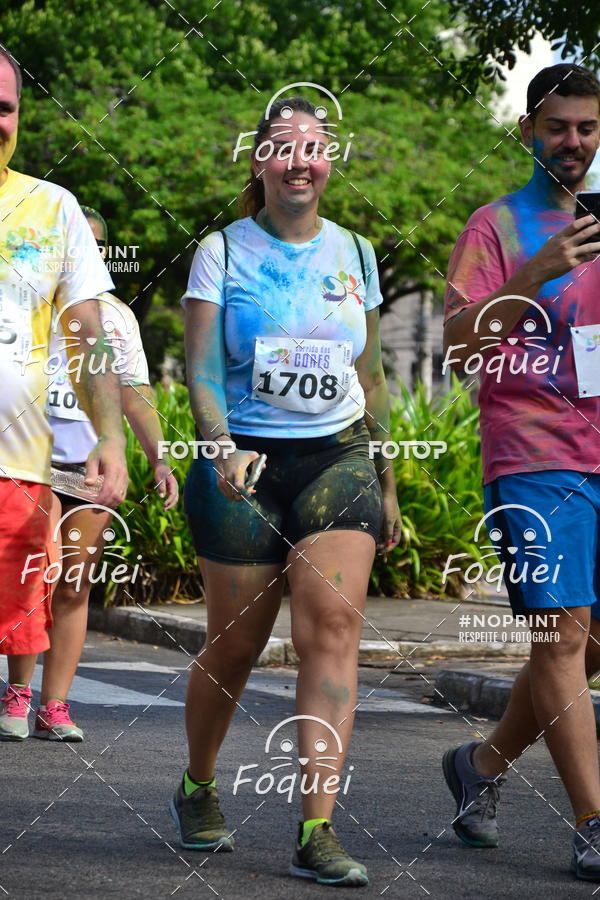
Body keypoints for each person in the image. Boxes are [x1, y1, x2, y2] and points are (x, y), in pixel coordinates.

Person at [177, 96, 401, 886]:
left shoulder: (357, 253)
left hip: (337, 458)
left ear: (330, 160)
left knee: (332, 632)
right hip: (244, 461)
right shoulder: (222, 251)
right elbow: (203, 371)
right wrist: (221, 450)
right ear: (260, 160)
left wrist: (388, 481)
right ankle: (198, 784)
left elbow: (372, 377)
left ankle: (316, 829)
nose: (300, 161)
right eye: (284, 147)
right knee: (235, 646)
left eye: (314, 147)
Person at [441, 64, 600, 881]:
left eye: (587, 128)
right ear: (528, 130)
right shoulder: (495, 226)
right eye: (557, 126)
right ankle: (593, 823)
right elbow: (459, 346)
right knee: (560, 636)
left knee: (583, 643)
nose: (572, 142)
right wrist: (534, 272)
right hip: (533, 453)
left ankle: (483, 764)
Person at [0, 207, 178, 742]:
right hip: (30, 463)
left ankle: (55, 706)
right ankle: (18, 693)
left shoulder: (118, 318)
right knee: (37, 575)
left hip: (92, 470)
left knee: (75, 584)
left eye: (96, 246)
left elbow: (135, 392)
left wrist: (159, 458)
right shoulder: (24, 301)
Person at [0, 47, 128, 736]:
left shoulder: (53, 209)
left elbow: (87, 332)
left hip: (20, 470)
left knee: (37, 599)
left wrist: (110, 435)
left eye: (4, 107)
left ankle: (36, 700)